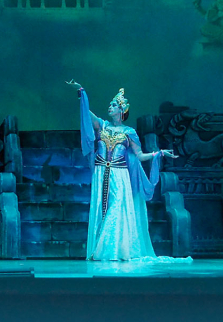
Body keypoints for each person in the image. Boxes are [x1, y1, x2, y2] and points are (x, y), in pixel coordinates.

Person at [66, 80, 177, 261]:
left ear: (121, 110)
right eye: (110, 104)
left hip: (119, 174)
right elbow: (86, 113)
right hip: (101, 172)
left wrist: (158, 153)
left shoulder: (129, 132)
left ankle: (112, 250)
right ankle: (104, 249)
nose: (109, 107)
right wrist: (81, 92)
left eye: (113, 105)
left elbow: (139, 155)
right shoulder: (102, 125)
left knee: (117, 207)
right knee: (102, 208)